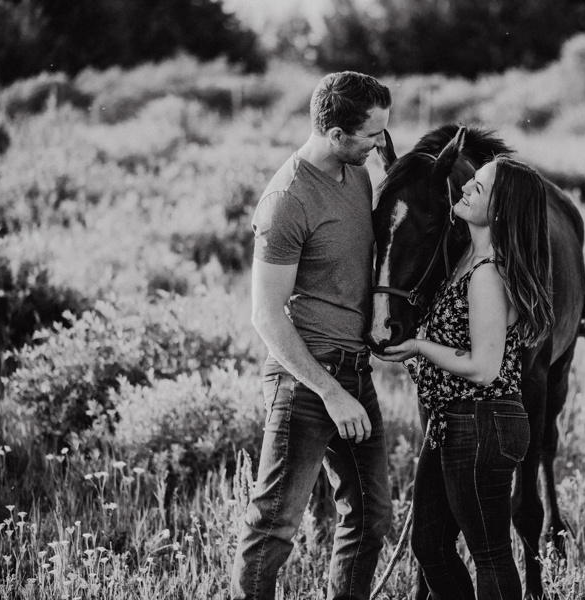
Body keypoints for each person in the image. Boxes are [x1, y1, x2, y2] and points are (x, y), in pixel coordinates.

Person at [231, 71, 393, 600]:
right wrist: (330, 391)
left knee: (371, 518)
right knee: (274, 526)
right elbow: (266, 314)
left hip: (354, 370)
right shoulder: (288, 199)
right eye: (371, 136)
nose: (379, 145)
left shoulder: (360, 176)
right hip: (304, 381)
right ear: (335, 134)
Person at [375, 156, 554, 600]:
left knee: (489, 552)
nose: (466, 188)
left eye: (480, 186)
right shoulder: (464, 261)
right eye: (472, 180)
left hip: (482, 423)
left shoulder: (488, 274)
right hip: (454, 422)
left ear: (500, 210)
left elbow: (484, 367)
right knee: (428, 543)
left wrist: (418, 347)